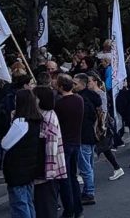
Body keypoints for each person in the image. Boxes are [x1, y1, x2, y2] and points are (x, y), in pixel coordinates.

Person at [1, 90, 45, 218]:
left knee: (19, 203)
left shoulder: (20, 122)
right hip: (30, 165)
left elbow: (5, 143)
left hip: (17, 168)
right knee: (27, 200)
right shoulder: (36, 120)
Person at [34, 87, 67, 218]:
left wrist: (49, 171)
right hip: (47, 167)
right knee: (43, 203)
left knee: (46, 204)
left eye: (35, 97)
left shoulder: (48, 117)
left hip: (49, 167)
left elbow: (51, 146)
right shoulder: (44, 115)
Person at [54, 74, 83, 218]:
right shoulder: (79, 100)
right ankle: (78, 209)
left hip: (64, 143)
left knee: (64, 179)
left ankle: (69, 209)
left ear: (60, 87)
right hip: (76, 140)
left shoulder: (59, 104)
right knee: (73, 175)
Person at [73, 74, 100, 206]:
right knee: (89, 165)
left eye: (75, 83)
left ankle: (89, 192)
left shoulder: (81, 100)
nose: (73, 86)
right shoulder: (91, 96)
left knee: (85, 167)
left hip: (83, 135)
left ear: (82, 84)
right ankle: (88, 190)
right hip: (90, 134)